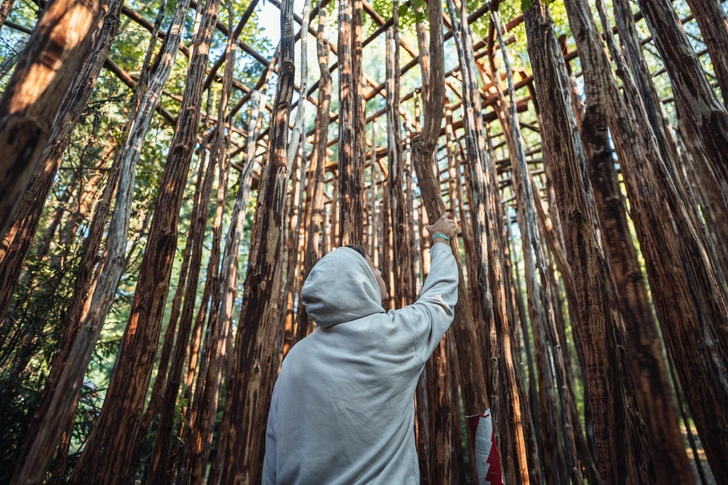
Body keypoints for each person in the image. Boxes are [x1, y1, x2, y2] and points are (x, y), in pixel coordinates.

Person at [263, 211, 459, 485]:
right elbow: (439, 302)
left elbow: (274, 446)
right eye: (372, 267)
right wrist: (440, 240)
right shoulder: (391, 336)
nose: (379, 271)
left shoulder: (295, 358)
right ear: (358, 280)